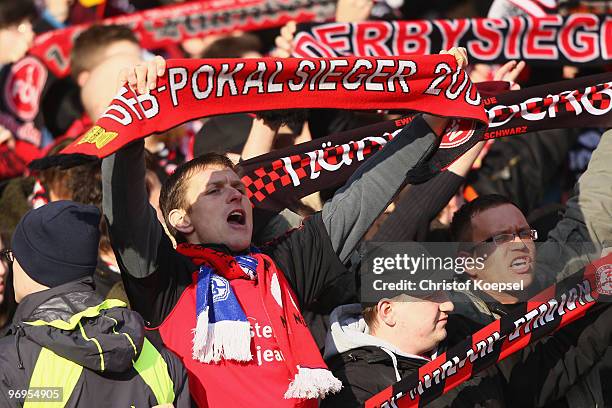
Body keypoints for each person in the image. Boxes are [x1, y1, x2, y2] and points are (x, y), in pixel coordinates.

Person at [102, 47, 471, 406]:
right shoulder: (166, 280)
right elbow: (126, 209)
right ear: (181, 220)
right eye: (215, 190)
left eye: (239, 189)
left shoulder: (280, 267)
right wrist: (135, 117)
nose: (236, 196)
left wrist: (434, 116)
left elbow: (361, 197)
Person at [447, 128, 612, 407]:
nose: (519, 244)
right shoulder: (459, 328)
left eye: (524, 233)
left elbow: (593, 212)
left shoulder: (552, 268)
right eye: (501, 238)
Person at [0, 201, 189, 407]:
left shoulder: (11, 363)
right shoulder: (154, 353)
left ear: (35, 265)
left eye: (13, 256)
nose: (7, 269)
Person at [322, 292, 612, 407]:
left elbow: (538, 374)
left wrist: (603, 300)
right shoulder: (350, 388)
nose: (447, 305)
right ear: (388, 311)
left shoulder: (464, 334)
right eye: (431, 296)